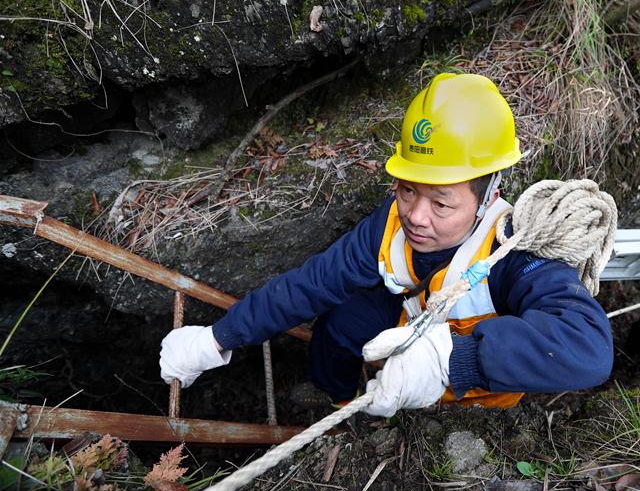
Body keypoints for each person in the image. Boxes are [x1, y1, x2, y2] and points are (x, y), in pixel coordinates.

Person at [159, 73, 613, 417]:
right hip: (409, 319)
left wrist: (455, 359)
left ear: (487, 196)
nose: (416, 216)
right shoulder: (390, 226)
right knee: (338, 322)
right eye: (408, 189)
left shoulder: (516, 252)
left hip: (475, 394)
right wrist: (219, 337)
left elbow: (588, 348)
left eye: (441, 203)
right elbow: (309, 285)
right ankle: (341, 404)